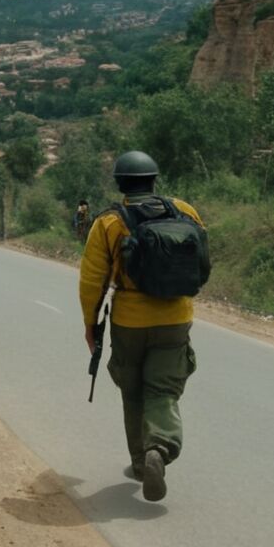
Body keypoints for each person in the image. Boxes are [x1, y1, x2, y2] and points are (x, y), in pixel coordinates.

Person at [78, 151, 207, 503]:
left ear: (120, 183)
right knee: (163, 389)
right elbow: (202, 260)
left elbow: (92, 280)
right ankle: (159, 449)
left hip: (129, 321)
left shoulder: (108, 222)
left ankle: (140, 462)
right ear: (154, 179)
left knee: (132, 390)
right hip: (175, 318)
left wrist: (90, 324)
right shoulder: (184, 211)